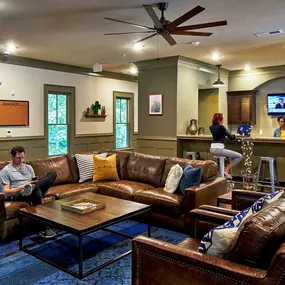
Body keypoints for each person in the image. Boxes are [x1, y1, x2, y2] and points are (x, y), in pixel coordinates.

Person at [0, 145, 57, 238]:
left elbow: (34, 181)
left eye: (22, 157)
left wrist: (34, 183)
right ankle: (42, 228)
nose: (21, 160)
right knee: (35, 190)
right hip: (18, 194)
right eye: (18, 158)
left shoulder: (28, 167)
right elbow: (6, 192)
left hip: (32, 189)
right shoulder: (5, 171)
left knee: (52, 174)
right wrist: (23, 187)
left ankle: (31, 188)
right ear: (12, 157)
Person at [209, 113, 243, 178]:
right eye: (223, 118)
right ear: (220, 120)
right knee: (239, 156)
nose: (223, 120)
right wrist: (236, 135)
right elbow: (231, 137)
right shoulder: (221, 127)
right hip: (219, 149)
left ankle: (221, 174)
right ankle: (226, 170)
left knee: (227, 157)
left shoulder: (211, 127)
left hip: (212, 149)